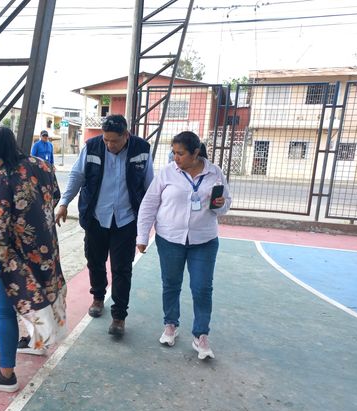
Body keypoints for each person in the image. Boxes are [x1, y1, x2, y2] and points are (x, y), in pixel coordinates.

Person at [0, 127, 67, 392]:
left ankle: (6, 375)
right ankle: (36, 342)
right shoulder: (42, 165)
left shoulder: (0, 177)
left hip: (16, 258)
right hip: (46, 249)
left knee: (5, 310)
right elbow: (55, 196)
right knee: (39, 296)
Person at [136, 131, 231, 360]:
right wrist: (142, 236)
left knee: (202, 288)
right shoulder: (167, 172)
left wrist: (219, 204)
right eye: (174, 152)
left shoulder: (214, 172)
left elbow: (225, 206)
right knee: (171, 284)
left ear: (195, 153)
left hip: (204, 240)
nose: (175, 157)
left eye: (180, 153)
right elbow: (149, 204)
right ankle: (170, 324)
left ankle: (201, 335)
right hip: (170, 239)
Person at [56, 115, 153, 336]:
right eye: (106, 140)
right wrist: (64, 203)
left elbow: (150, 186)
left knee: (122, 268)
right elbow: (77, 176)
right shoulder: (92, 147)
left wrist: (150, 221)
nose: (109, 145)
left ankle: (119, 316)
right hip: (96, 217)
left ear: (126, 135)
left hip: (126, 220)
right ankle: (98, 298)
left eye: (114, 141)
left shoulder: (142, 149)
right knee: (95, 261)